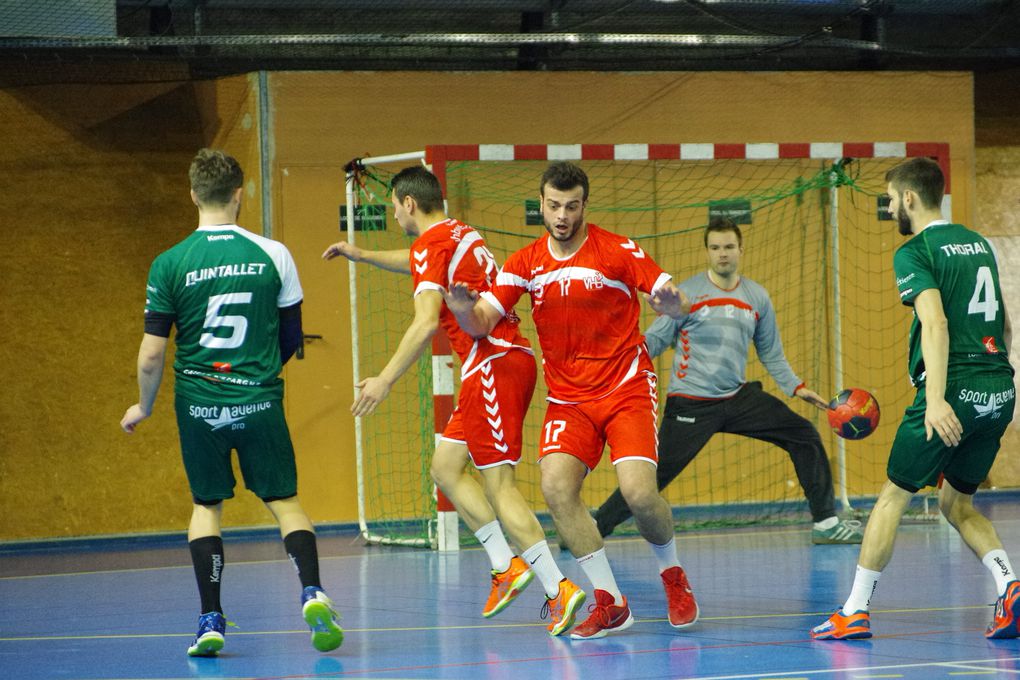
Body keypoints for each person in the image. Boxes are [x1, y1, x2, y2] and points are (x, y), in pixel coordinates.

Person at [322, 166, 585, 636]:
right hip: (499, 364)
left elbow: (425, 322)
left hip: (493, 365)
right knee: (445, 466)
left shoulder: (431, 245)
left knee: (498, 485)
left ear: (407, 204)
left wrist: (384, 379)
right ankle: (506, 567)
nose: (395, 215)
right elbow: (417, 260)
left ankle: (557, 587)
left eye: (394, 208)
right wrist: (361, 255)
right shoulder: (456, 232)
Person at [445, 161, 700, 640]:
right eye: (554, 205)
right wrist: (462, 307)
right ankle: (611, 601)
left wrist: (672, 304)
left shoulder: (616, 250)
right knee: (557, 489)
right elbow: (481, 320)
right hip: (568, 400)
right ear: (540, 204)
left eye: (572, 206)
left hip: (625, 385)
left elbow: (672, 295)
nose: (562, 215)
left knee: (639, 492)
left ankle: (673, 575)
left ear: (585, 206)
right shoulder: (524, 263)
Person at [120, 149, 343, 657]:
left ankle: (210, 619)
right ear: (240, 194)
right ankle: (311, 590)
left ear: (194, 194)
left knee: (206, 507)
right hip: (259, 399)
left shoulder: (170, 262)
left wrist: (144, 405)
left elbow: (153, 353)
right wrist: (257, 377)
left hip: (198, 403)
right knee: (285, 501)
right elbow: (291, 339)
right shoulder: (273, 253)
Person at [811, 157, 1018, 640]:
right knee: (957, 504)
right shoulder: (979, 243)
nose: (888, 208)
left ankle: (854, 611)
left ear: (908, 198)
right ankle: (1011, 587)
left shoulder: (915, 250)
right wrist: (991, 382)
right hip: (999, 387)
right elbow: (1004, 324)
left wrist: (940, 399)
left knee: (891, 497)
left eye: (888, 198)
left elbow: (936, 323)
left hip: (955, 389)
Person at [590, 217, 864, 546]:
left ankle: (826, 523)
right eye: (716, 248)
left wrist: (797, 388)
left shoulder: (756, 297)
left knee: (804, 435)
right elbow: (654, 342)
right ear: (707, 252)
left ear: (740, 250)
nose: (723, 254)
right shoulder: (687, 294)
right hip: (692, 401)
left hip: (737, 398)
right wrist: (610, 365)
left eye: (729, 247)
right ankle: (595, 528)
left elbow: (771, 353)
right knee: (654, 475)